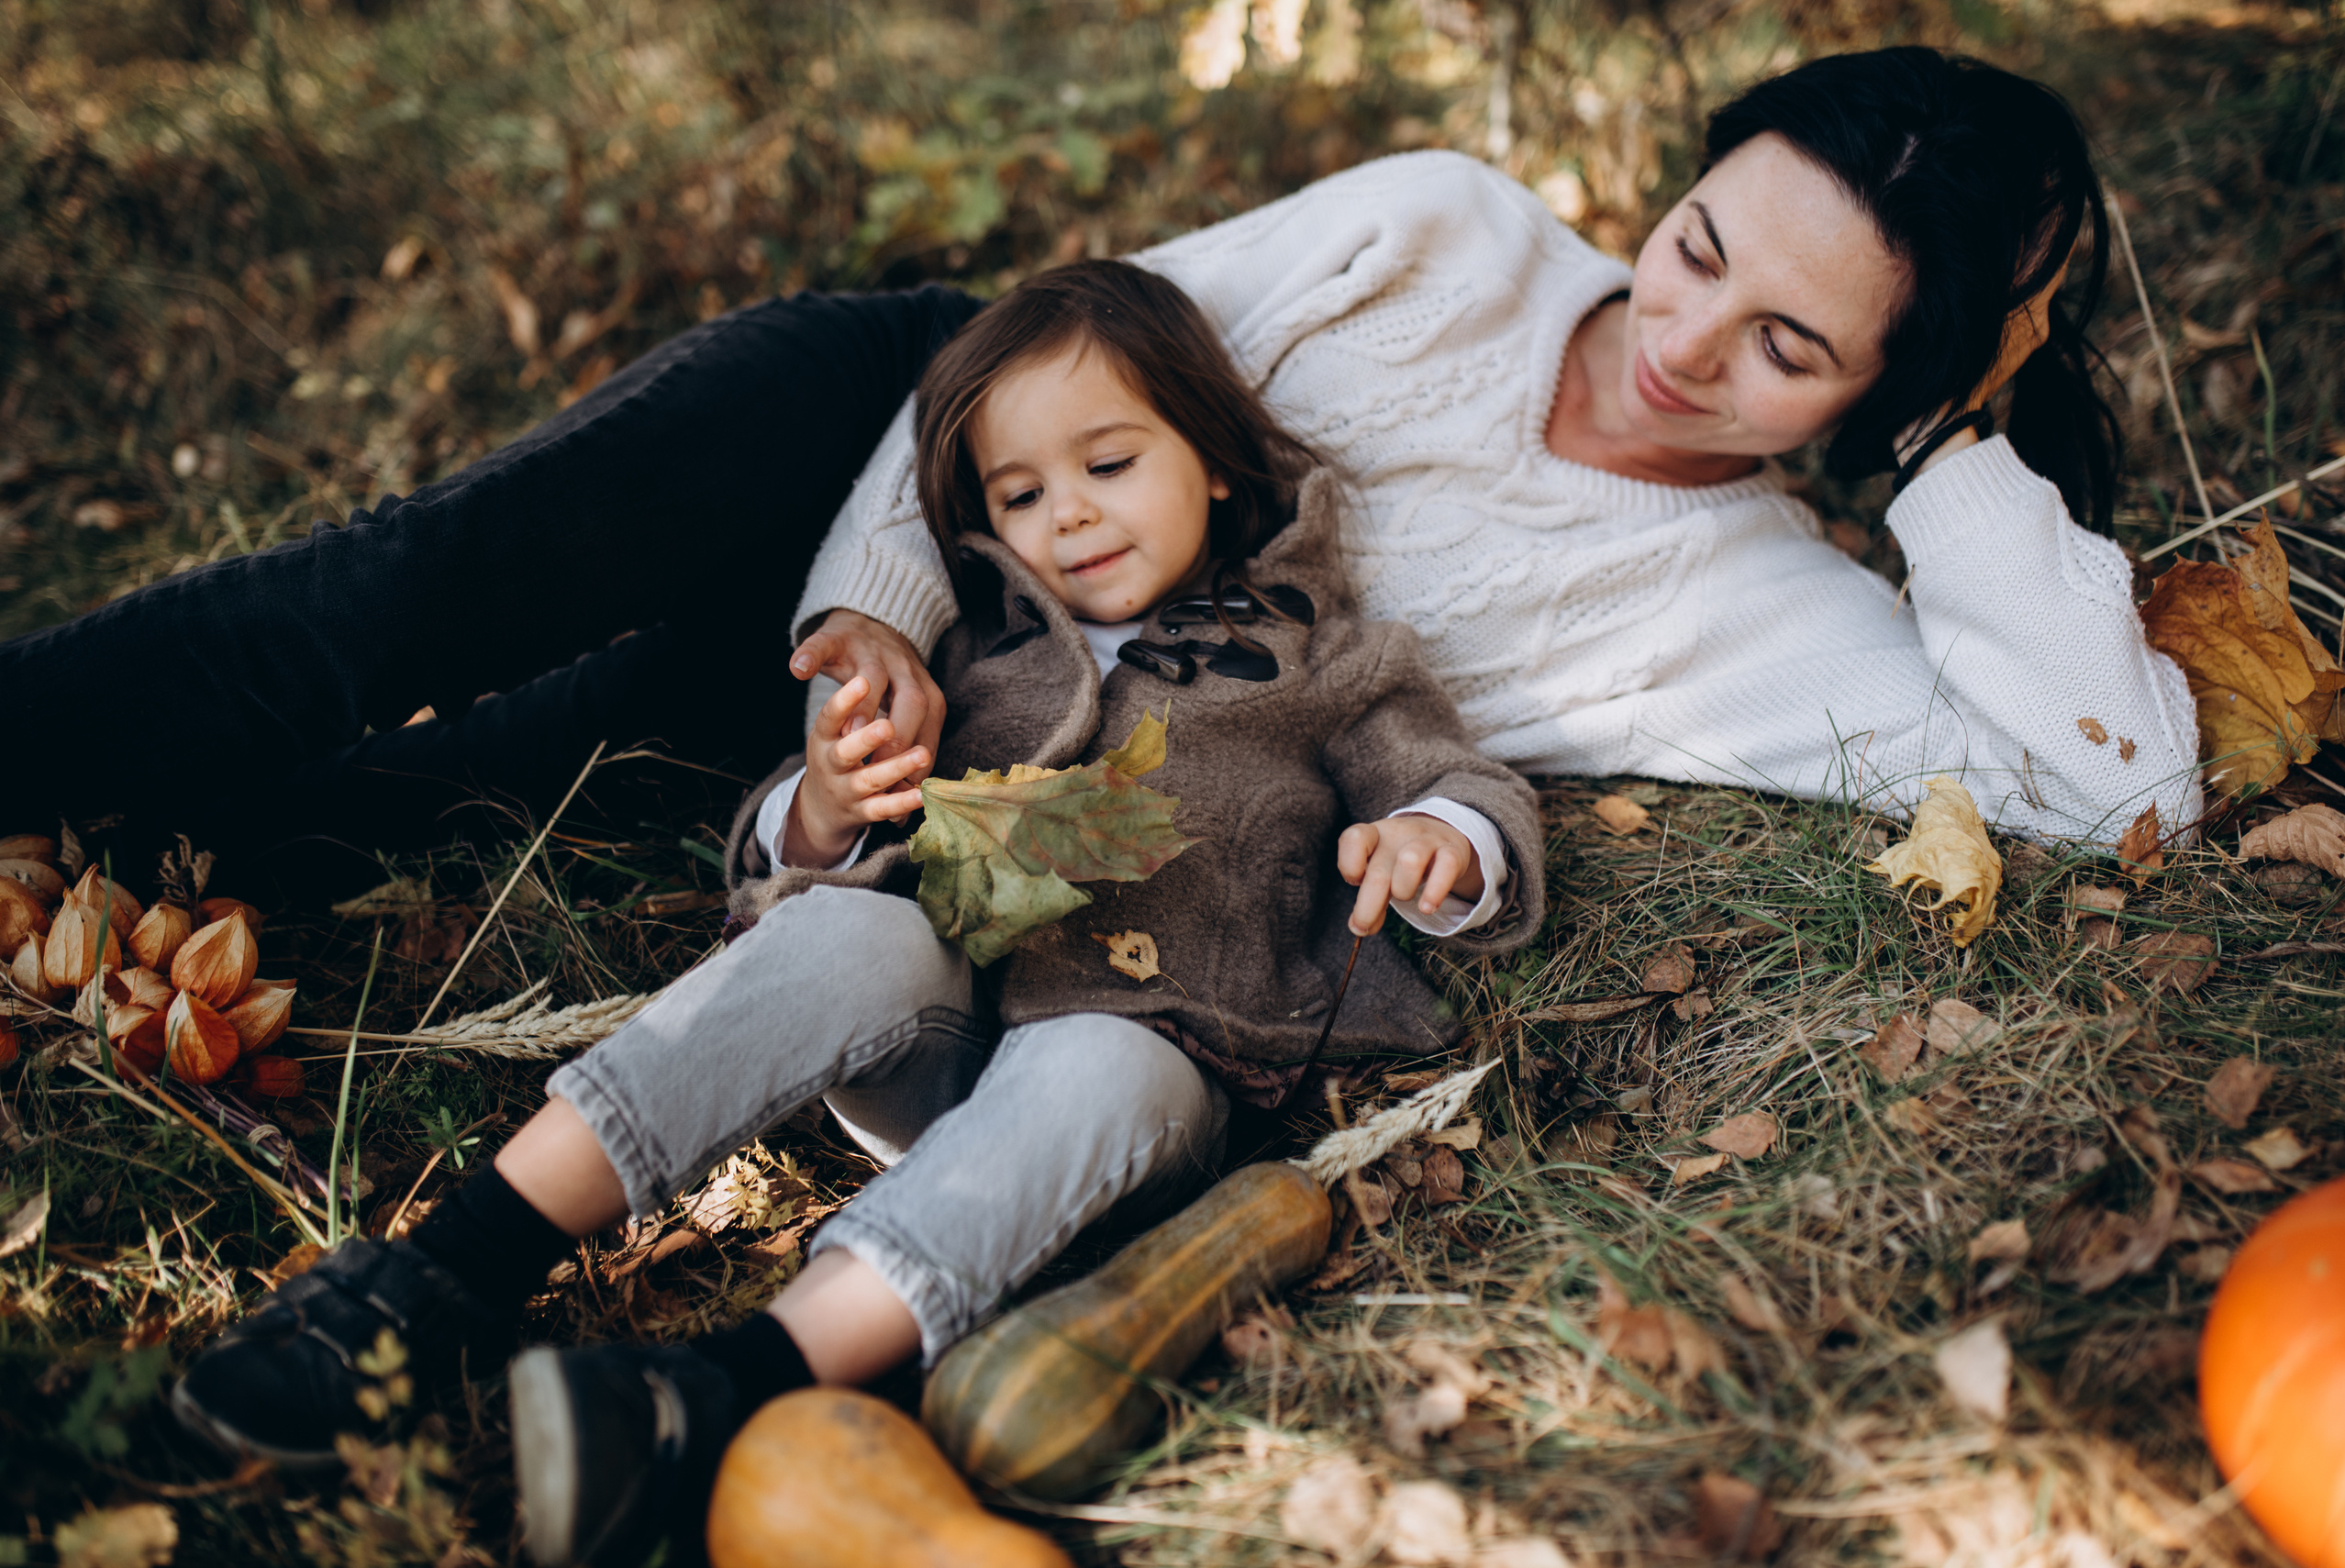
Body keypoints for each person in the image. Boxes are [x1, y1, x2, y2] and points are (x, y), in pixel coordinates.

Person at [0, 47, 2198, 871]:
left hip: (983, 706)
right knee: (404, 597)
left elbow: (2110, 794)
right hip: (884, 436)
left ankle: (75, 886)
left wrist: (1966, 459)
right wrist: (861, 593)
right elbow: (1035, 347)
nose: (1675, 343)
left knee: (462, 799)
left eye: (1787, 348)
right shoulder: (1441, 222)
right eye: (1697, 241)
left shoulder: (1755, 610)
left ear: (1875, 400)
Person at [170, 260, 1547, 1568]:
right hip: (940, 1058)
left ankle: (716, 1394)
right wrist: (828, 801)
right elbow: (789, 843)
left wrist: (1442, 838)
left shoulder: (1327, 652)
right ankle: (442, 1273)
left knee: (1105, 1057)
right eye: (1019, 494)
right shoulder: (969, 648)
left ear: (1217, 461)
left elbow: (1454, 777)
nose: (1066, 514)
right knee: (853, 929)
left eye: (1109, 465)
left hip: (1153, 1079)